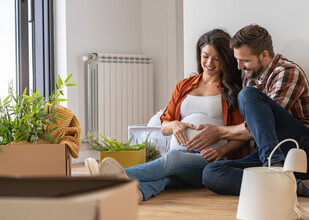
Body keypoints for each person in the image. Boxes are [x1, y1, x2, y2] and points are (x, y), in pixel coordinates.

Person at [85, 29, 249, 201]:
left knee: (173, 159)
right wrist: (175, 125)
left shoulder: (233, 89)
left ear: (226, 58)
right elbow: (164, 126)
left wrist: (222, 150)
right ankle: (138, 193)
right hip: (177, 151)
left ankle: (108, 178)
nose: (210, 62)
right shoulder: (184, 85)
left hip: (208, 159)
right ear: (199, 54)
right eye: (205, 56)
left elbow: (241, 133)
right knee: (165, 178)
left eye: (217, 58)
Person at [185, 24, 309, 196]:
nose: (239, 66)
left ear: (264, 55)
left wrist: (219, 132)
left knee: (247, 95)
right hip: (270, 153)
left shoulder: (287, 72)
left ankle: (273, 167)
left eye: (244, 60)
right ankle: (297, 186)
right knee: (211, 173)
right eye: (237, 60)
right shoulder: (249, 75)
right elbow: (261, 133)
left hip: (302, 150)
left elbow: (264, 125)